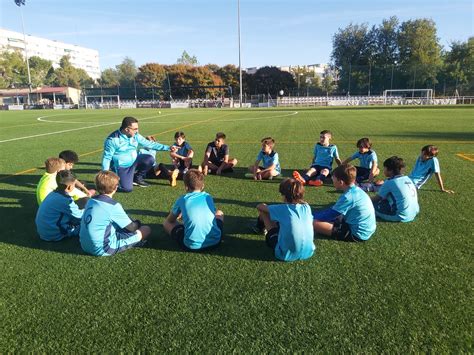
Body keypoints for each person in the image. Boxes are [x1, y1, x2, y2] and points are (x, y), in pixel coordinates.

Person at [79, 171, 151, 256]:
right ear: (116, 188)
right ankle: (134, 242)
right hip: (103, 248)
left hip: (84, 245)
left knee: (116, 225)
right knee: (146, 229)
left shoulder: (90, 200)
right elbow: (132, 228)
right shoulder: (113, 206)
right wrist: (138, 223)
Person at [101, 116, 176, 192]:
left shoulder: (135, 135)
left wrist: (168, 148)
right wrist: (106, 174)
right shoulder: (112, 140)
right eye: (135, 129)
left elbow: (149, 144)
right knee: (127, 189)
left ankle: (137, 178)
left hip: (135, 161)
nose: (137, 131)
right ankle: (121, 177)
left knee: (149, 159)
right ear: (127, 129)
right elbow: (107, 158)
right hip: (122, 167)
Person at [255, 178, 315, 262]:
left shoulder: (283, 209)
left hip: (284, 254)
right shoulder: (307, 207)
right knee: (283, 222)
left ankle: (260, 228)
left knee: (264, 211)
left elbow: (259, 206)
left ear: (284, 196)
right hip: (309, 252)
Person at [163, 169, 224, 251]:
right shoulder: (208, 196)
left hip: (191, 245)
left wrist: (179, 214)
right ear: (203, 186)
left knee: (166, 223)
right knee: (219, 213)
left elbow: (170, 220)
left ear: (186, 187)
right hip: (216, 242)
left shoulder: (183, 199)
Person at [313, 164, 376, 241]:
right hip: (366, 228)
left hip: (357, 233)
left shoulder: (348, 196)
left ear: (341, 182)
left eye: (333, 178)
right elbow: (334, 211)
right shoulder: (356, 190)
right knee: (332, 214)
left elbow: (330, 215)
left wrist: (311, 216)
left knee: (314, 223)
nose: (332, 180)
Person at [35, 170, 83, 241]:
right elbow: (80, 216)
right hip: (55, 234)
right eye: (74, 185)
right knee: (86, 224)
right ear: (69, 187)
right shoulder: (65, 200)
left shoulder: (52, 193)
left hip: (44, 232)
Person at [372, 156, 419, 222]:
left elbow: (377, 199)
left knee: (371, 207)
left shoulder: (390, 182)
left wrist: (365, 200)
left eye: (385, 168)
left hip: (400, 216)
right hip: (414, 212)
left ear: (390, 170)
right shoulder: (408, 179)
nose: (384, 170)